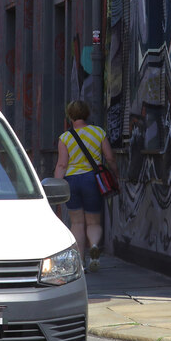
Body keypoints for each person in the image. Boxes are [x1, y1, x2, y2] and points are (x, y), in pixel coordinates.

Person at [55, 100, 118, 272]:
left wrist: (57, 186)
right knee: (93, 221)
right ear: (87, 113)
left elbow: (61, 165)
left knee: (76, 223)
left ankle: (80, 261)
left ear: (70, 115)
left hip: (72, 181)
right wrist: (115, 173)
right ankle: (95, 246)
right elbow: (110, 157)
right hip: (92, 179)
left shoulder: (65, 138)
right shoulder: (98, 132)